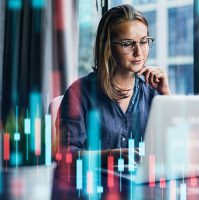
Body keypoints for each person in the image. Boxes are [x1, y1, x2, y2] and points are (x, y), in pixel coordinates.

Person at [56, 4, 171, 160]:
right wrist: (111, 156)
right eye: (128, 44)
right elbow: (65, 156)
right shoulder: (79, 93)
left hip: (143, 183)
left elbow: (172, 149)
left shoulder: (153, 94)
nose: (138, 52)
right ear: (108, 47)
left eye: (143, 42)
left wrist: (166, 96)